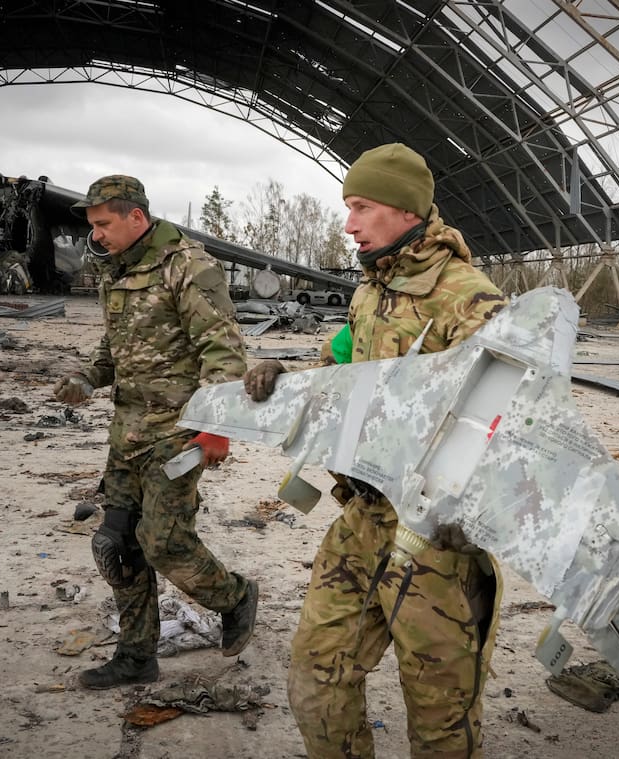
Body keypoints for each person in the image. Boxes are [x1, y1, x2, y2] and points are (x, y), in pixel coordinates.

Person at [244, 144, 507, 758]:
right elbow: (343, 373)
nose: (348, 223)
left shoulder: (470, 300)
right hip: (361, 519)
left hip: (434, 537)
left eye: (361, 207)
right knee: (317, 674)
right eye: (347, 208)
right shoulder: (369, 294)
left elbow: (506, 426)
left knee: (440, 709)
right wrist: (290, 377)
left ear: (405, 209)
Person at [55, 174, 258, 689]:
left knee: (163, 542)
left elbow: (224, 350)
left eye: (103, 224)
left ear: (136, 218)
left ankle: (234, 595)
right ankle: (136, 655)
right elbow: (116, 345)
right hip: (128, 432)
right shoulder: (116, 272)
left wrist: (218, 428)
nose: (96, 235)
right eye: (93, 226)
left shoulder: (188, 265)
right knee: (117, 544)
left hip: (177, 432)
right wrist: (87, 377)